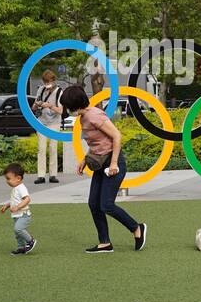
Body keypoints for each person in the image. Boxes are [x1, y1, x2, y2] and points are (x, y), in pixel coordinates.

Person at [59, 84, 147, 254]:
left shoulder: (94, 116)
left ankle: (137, 228)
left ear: (75, 104)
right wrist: (85, 159)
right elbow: (97, 142)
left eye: (68, 106)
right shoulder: (83, 117)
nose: (67, 110)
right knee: (94, 203)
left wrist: (114, 163)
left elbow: (116, 136)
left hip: (113, 163)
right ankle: (104, 242)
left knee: (106, 204)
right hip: (100, 163)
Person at [32, 68, 63, 184]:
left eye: (49, 82)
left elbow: (60, 110)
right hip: (41, 122)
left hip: (54, 122)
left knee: (53, 148)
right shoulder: (40, 90)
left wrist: (49, 106)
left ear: (53, 80)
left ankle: (53, 175)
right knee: (41, 149)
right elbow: (34, 108)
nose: (47, 84)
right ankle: (41, 175)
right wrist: (37, 104)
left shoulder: (59, 92)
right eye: (45, 82)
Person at [0, 162, 36, 256]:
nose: (7, 181)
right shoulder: (15, 188)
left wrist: (18, 207)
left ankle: (30, 241)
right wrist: (7, 206)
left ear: (18, 178)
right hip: (17, 215)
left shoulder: (21, 188)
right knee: (17, 233)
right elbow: (14, 200)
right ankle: (21, 248)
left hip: (23, 214)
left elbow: (27, 199)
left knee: (18, 229)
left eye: (8, 178)